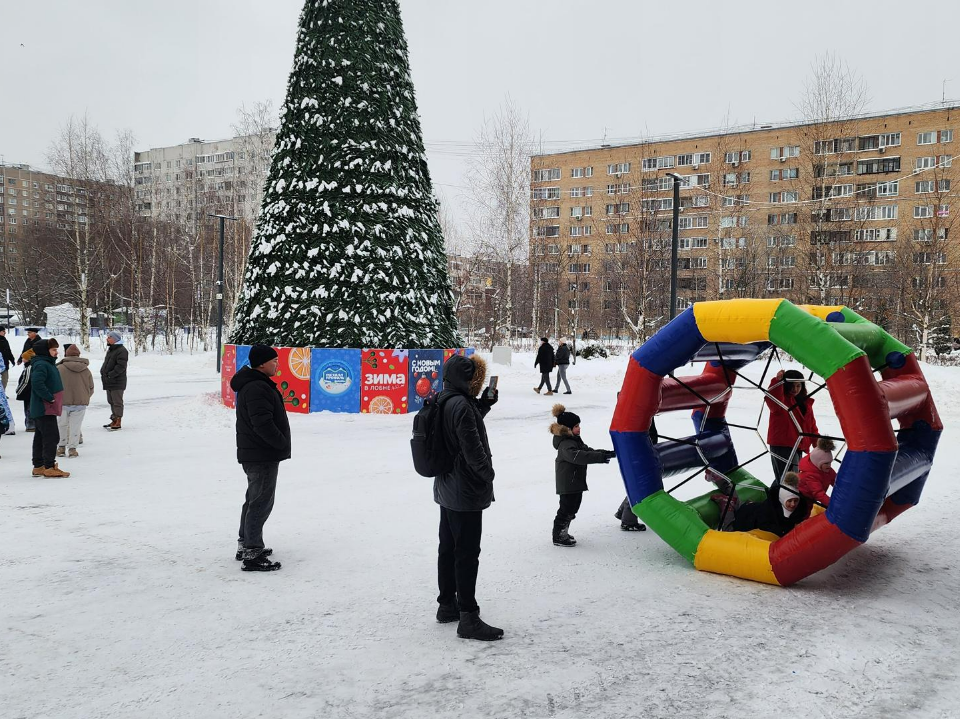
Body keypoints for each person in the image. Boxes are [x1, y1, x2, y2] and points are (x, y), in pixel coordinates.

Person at [433, 353, 502, 641]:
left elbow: (461, 424)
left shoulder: (445, 398)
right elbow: (472, 447)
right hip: (466, 491)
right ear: (468, 380)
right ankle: (468, 617)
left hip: (447, 487)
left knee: (448, 548)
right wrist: (488, 474)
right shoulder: (461, 405)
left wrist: (483, 405)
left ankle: (447, 605)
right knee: (467, 554)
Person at [230, 344, 290, 572]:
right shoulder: (256, 387)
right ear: (262, 363)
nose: (277, 364)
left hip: (256, 452)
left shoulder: (255, 383)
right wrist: (280, 442)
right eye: (274, 360)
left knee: (254, 499)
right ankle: (252, 553)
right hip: (261, 453)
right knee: (261, 502)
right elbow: (262, 423)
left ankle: (246, 544)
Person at [550, 404, 616, 547]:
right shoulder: (566, 444)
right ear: (567, 429)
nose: (579, 428)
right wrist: (599, 458)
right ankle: (558, 535)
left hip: (575, 481)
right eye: (575, 426)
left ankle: (563, 531)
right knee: (566, 509)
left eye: (578, 425)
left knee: (573, 507)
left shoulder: (574, 440)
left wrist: (605, 453)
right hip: (568, 482)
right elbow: (579, 456)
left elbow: (587, 451)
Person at [707, 469, 809, 538]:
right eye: (789, 501)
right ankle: (726, 505)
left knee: (739, 505)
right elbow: (771, 528)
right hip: (747, 519)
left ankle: (723, 483)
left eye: (795, 501)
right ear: (782, 499)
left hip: (750, 509)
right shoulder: (771, 510)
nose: (792, 504)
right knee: (729, 532)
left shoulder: (795, 507)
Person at [765, 369, 819, 482]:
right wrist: (777, 381)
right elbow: (772, 399)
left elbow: (811, 426)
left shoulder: (805, 403)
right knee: (788, 479)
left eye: (798, 385)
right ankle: (780, 499)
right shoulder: (780, 401)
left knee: (789, 478)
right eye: (792, 386)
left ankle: (776, 498)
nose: (795, 389)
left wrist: (817, 443)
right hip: (782, 445)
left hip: (798, 445)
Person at [28, 338, 70, 478]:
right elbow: (37, 383)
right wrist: (49, 397)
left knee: (40, 437)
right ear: (45, 351)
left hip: (46, 407)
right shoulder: (42, 364)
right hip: (45, 407)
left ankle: (39, 466)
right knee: (51, 437)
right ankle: (49, 466)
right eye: (53, 350)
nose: (56, 352)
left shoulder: (46, 363)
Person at [614, 416, 655, 531]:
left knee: (639, 484)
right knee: (640, 485)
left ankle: (622, 512)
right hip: (640, 450)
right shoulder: (637, 413)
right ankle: (628, 521)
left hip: (643, 447)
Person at [56, 344, 95, 458]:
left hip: (62, 402)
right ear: (78, 355)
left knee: (62, 425)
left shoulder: (59, 368)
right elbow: (91, 387)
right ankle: (72, 449)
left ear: (66, 354)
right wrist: (85, 397)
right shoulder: (86, 369)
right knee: (75, 426)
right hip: (80, 403)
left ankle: (61, 447)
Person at [100, 330, 128, 431]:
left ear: (115, 339)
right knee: (111, 401)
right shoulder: (111, 349)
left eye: (109, 337)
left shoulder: (122, 350)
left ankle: (118, 420)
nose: (107, 339)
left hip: (117, 381)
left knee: (117, 402)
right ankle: (114, 418)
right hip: (109, 380)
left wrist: (111, 375)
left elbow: (121, 366)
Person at [798, 437, 838, 507]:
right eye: (826, 463)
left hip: (812, 498)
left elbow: (836, 481)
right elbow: (818, 494)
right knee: (805, 513)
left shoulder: (827, 470)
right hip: (803, 500)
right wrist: (832, 505)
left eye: (830, 462)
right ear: (818, 463)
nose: (829, 465)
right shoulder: (810, 475)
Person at [17, 327, 41, 432]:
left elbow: (34, 354)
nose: (28, 334)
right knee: (29, 400)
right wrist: (20, 359)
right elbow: (24, 352)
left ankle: (32, 424)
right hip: (28, 365)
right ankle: (30, 423)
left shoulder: (39, 342)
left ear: (35, 333)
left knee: (31, 399)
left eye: (30, 333)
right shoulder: (27, 341)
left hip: (33, 367)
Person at [0, 326, 15, 391]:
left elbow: (8, 351)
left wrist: (12, 359)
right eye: (3, 331)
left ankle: (2, 393)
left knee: (5, 379)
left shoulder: (4, 340)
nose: (5, 332)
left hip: (5, 362)